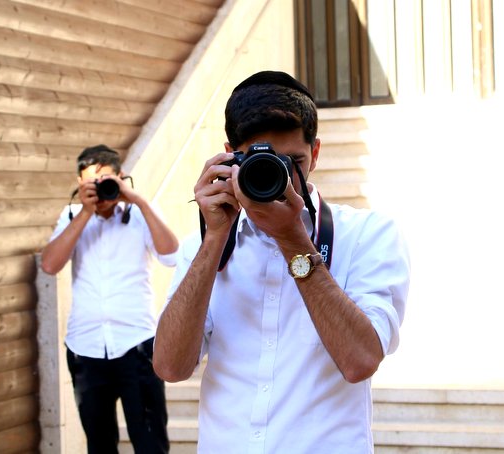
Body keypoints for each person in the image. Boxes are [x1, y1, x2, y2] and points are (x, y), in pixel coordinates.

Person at [153, 71, 410, 453]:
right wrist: (214, 238)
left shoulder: (368, 235)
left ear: (317, 153)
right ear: (229, 156)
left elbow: (360, 361)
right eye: (266, 164)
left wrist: (292, 238)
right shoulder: (205, 247)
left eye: (294, 161)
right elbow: (171, 368)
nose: (283, 178)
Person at [41, 144, 178, 454]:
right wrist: (86, 212)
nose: (101, 188)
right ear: (79, 183)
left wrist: (138, 200)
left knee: (150, 444)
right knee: (100, 446)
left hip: (138, 347)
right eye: (92, 181)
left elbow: (171, 256)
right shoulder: (72, 215)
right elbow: (50, 265)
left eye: (107, 180)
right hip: (86, 351)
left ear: (120, 178)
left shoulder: (141, 213)